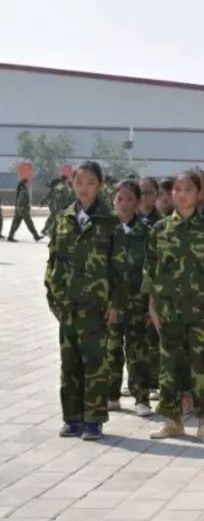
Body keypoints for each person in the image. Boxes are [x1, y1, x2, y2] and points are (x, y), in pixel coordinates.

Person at [143, 171, 204, 444]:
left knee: (201, 365)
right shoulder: (160, 229)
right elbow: (151, 271)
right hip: (168, 309)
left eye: (188, 189)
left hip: (200, 308)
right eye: (177, 189)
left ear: (199, 193)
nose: (181, 194)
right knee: (169, 365)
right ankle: (173, 420)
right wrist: (152, 306)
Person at [45, 161, 121, 441]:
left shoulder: (109, 221)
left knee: (96, 364)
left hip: (97, 306)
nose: (85, 188)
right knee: (70, 364)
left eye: (91, 183)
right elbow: (52, 259)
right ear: (72, 185)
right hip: (68, 305)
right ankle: (72, 417)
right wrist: (52, 295)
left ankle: (94, 419)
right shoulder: (63, 219)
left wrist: (115, 302)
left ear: (99, 186)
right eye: (80, 182)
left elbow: (118, 267)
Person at [104, 181, 154, 417]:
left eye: (130, 199)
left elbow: (153, 268)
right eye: (120, 199)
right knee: (111, 350)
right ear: (113, 200)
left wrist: (150, 305)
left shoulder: (146, 230)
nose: (124, 204)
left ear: (138, 202)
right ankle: (111, 395)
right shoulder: (106, 229)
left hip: (138, 302)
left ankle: (141, 398)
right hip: (111, 304)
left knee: (138, 351)